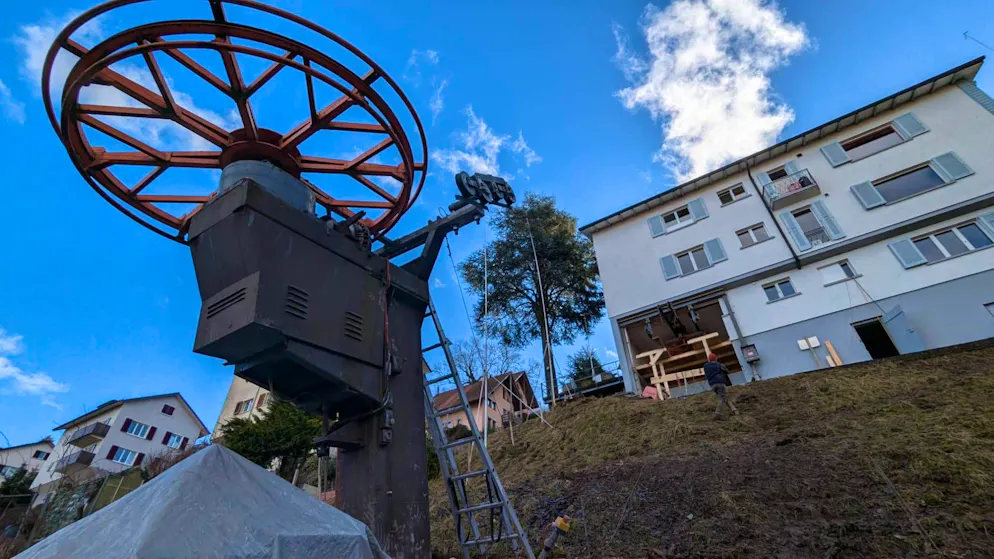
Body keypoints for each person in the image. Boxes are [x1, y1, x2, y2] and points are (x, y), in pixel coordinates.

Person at [703, 353, 738, 418]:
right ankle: (718, 413)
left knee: (724, 397)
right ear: (716, 358)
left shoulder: (705, 366)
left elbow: (706, 376)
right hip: (720, 383)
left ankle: (735, 411)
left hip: (712, 385)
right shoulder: (719, 365)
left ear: (709, 359)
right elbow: (727, 371)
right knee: (722, 399)